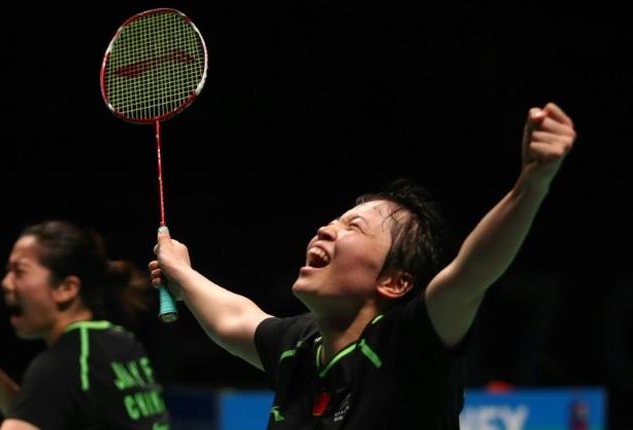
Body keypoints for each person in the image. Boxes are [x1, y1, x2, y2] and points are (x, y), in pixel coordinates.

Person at [149, 102, 576, 429]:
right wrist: (182, 275)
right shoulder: (301, 348)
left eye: (353, 226)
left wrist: (531, 185)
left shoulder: (407, 347)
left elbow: (472, 272)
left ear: (394, 281)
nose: (326, 228)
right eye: (334, 220)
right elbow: (236, 318)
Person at [0, 220, 171, 430]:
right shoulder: (120, 341)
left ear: (66, 288)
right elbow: (44, 417)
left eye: (19, 272)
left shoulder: (63, 362)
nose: (6, 284)